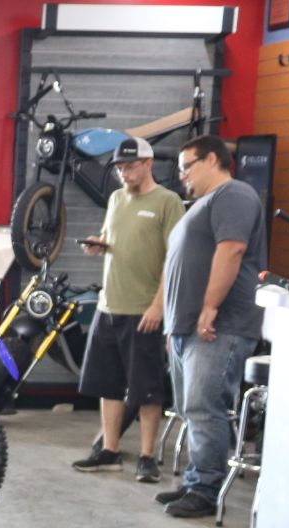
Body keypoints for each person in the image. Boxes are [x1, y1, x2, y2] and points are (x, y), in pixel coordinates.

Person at [156, 134, 266, 518]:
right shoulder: (202, 203)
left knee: (205, 408)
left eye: (188, 165)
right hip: (188, 328)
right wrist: (174, 326)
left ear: (214, 160)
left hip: (220, 323)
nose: (182, 174)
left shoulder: (233, 195)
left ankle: (205, 489)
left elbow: (231, 249)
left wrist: (209, 306)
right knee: (192, 409)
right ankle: (194, 480)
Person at [70, 136, 185, 482]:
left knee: (147, 389)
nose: (123, 173)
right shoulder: (116, 199)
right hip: (110, 305)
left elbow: (174, 259)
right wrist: (99, 246)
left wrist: (158, 306)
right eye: (119, 167)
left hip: (143, 310)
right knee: (109, 385)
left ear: (148, 164)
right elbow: (112, 239)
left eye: (129, 166)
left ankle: (148, 457)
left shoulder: (168, 202)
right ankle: (110, 450)